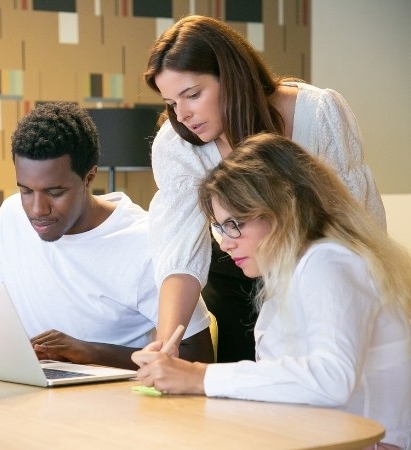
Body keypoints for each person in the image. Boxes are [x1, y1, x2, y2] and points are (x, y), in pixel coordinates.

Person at [132, 134, 411, 450]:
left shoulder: (329, 261)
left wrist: (198, 377)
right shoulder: (295, 272)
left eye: (235, 223)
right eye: (220, 228)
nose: (226, 243)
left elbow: (331, 379)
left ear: (283, 207)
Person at [142, 15, 385, 362]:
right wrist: (166, 347)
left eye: (192, 95)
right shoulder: (177, 144)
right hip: (238, 272)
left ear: (231, 76)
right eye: (171, 103)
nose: (182, 116)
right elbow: (178, 252)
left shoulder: (317, 113)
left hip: (320, 270)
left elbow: (359, 223)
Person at [0, 102, 214, 370]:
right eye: (26, 191)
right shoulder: (11, 215)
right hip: (27, 382)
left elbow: (199, 356)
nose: (37, 209)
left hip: (113, 393)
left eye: (54, 192)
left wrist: (89, 352)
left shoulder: (147, 243)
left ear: (89, 178)